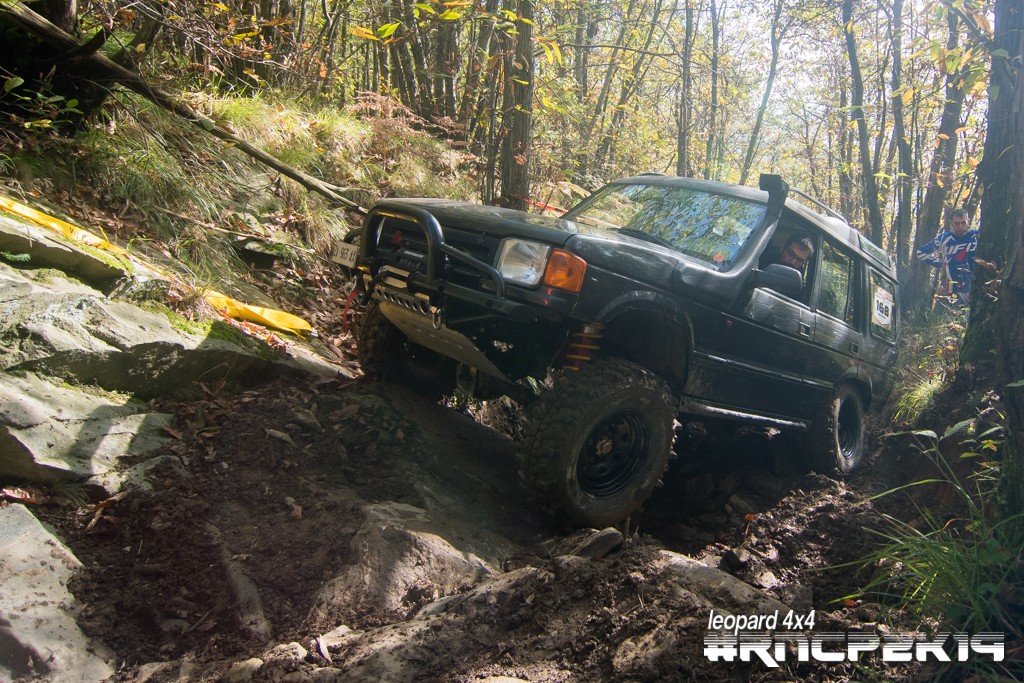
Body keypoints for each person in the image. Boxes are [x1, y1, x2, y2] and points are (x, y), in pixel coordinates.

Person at [916, 208, 978, 306]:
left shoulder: (977, 236)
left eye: (963, 223)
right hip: (954, 287)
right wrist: (940, 263)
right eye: (956, 223)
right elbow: (920, 252)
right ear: (951, 223)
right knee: (955, 313)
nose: (960, 226)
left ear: (968, 221)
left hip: (977, 284)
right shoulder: (944, 238)